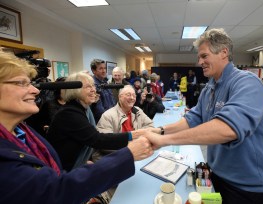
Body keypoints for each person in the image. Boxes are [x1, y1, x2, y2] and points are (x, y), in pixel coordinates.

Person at [142, 28, 263, 204]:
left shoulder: (247, 83)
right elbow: (192, 119)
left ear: (223, 53)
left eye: (204, 56)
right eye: (199, 57)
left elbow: (227, 129)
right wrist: (160, 131)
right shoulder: (209, 89)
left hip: (248, 187)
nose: (200, 62)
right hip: (216, 176)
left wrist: (166, 140)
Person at [0, 49, 153, 204]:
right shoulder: (69, 113)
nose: (35, 90)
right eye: (21, 83)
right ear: (76, 90)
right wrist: (131, 149)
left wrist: (83, 162)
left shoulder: (22, 130)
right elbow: (96, 139)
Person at [93, 85, 154, 162]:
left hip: (136, 154)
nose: (132, 98)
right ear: (120, 97)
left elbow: (150, 126)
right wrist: (131, 147)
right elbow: (105, 143)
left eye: (134, 95)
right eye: (128, 95)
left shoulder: (137, 111)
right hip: (117, 158)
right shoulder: (108, 115)